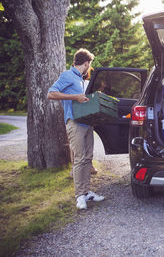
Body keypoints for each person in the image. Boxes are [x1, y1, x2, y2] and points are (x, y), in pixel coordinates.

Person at [48, 48, 104, 210]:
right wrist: (75, 97)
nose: (89, 68)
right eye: (89, 65)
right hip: (74, 122)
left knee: (87, 157)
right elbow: (51, 94)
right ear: (86, 63)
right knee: (79, 158)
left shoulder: (81, 79)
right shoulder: (67, 75)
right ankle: (80, 196)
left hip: (87, 122)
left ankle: (86, 192)